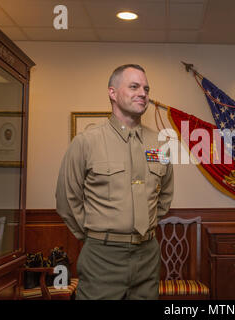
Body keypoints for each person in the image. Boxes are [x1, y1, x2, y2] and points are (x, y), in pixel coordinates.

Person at [56, 64, 174, 300]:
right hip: (102, 256)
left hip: (147, 255)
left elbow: (165, 196)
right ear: (112, 92)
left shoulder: (160, 144)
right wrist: (95, 237)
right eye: (134, 86)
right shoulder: (87, 142)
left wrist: (145, 227)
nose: (143, 93)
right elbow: (67, 200)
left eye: (146, 88)